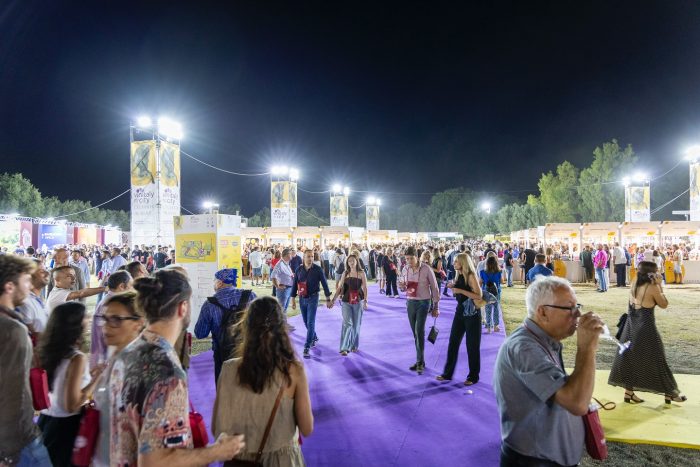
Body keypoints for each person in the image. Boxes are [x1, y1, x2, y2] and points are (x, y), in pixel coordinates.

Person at [110, 269, 245, 465]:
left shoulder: (128, 352)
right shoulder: (168, 375)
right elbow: (154, 462)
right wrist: (217, 451)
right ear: (183, 307)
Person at [494, 276, 604, 466]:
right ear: (543, 312)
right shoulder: (524, 348)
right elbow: (577, 403)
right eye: (570, 308)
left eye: (577, 306)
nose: (578, 314)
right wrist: (587, 348)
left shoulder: (545, 341)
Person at [212, 297, 312, 466]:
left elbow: (218, 428)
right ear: (282, 328)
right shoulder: (294, 371)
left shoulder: (229, 369)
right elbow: (307, 428)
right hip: (282, 461)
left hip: (240, 460)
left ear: (247, 327)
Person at [608, 261, 687, 405]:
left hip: (630, 328)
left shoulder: (634, 282)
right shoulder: (653, 287)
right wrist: (660, 285)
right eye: (657, 271)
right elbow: (664, 304)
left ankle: (629, 393)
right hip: (646, 329)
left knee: (630, 360)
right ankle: (670, 393)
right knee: (658, 360)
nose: (658, 273)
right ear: (651, 273)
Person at [0, 255, 53, 467]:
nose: (30, 286)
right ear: (9, 286)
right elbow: (14, 393)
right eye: (26, 281)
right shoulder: (13, 330)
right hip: (19, 443)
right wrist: (7, 454)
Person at [38, 302, 104, 466]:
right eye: (85, 317)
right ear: (74, 324)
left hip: (45, 421)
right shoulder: (77, 358)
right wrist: (96, 380)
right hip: (65, 427)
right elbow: (72, 405)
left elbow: (58, 384)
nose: (88, 320)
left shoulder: (46, 352)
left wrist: (88, 375)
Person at [91, 291, 145, 467]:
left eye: (116, 320)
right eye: (104, 319)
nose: (106, 327)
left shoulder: (141, 367)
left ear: (138, 323)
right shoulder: (114, 356)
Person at [195, 268, 256, 382]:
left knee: (223, 386)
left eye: (214, 281)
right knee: (248, 385)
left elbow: (200, 333)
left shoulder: (209, 304)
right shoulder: (250, 296)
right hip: (248, 351)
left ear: (220, 283)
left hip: (222, 354)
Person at [437, 253, 483, 384]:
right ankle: (447, 374)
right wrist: (454, 287)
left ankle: (473, 377)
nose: (454, 263)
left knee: (472, 346)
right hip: (460, 312)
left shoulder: (471, 276)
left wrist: (460, 291)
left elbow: (478, 296)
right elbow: (460, 292)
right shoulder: (459, 275)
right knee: (453, 342)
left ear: (463, 263)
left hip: (472, 314)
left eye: (456, 261)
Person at [398, 246, 440, 375]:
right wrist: (402, 287)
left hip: (424, 302)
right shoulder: (405, 269)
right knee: (415, 333)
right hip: (410, 302)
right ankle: (420, 360)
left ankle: (420, 362)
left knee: (419, 330)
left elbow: (434, 288)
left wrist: (436, 306)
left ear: (417, 257)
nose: (409, 261)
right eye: (406, 259)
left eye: (411, 258)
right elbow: (403, 287)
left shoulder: (426, 269)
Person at [291, 250, 332, 358]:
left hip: (313, 298)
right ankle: (314, 337)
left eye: (312, 256)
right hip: (302, 298)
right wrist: (293, 299)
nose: (310, 258)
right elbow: (295, 284)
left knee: (310, 322)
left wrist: (328, 299)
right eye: (308, 256)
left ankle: (307, 346)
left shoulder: (318, 269)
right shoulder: (299, 269)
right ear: (304, 257)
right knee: (305, 321)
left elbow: (325, 284)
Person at [89, 270, 132, 369]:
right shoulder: (114, 305)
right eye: (131, 285)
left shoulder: (107, 300)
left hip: (101, 357)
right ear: (122, 286)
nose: (132, 289)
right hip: (105, 360)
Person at [329, 253, 369, 356]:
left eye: (353, 261)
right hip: (346, 301)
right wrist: (333, 300)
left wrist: (366, 301)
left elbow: (365, 288)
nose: (351, 262)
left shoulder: (361, 273)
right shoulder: (345, 273)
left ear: (356, 261)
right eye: (349, 261)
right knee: (347, 323)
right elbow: (340, 287)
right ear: (347, 262)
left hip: (358, 301)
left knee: (356, 324)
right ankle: (344, 348)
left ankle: (354, 345)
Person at [16, 257, 51, 335]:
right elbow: (32, 336)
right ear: (29, 276)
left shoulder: (36, 298)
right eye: (42, 271)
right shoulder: (24, 302)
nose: (47, 273)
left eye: (45, 270)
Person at [480, 255, 502, 333]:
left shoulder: (482, 272)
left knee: (488, 309)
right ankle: (496, 326)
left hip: (486, 292)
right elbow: (501, 281)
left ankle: (489, 327)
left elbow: (480, 282)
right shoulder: (499, 272)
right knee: (496, 309)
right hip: (496, 292)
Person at [271, 248, 295, 313]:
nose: (292, 255)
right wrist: (277, 286)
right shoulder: (280, 264)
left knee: (284, 309)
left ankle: (283, 319)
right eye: (291, 254)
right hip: (283, 290)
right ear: (287, 255)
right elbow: (273, 275)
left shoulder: (285, 263)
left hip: (288, 288)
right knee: (281, 310)